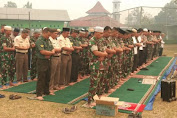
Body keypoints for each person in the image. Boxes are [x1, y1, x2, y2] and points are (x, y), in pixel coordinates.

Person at [87, 26, 108, 106]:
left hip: (102, 64)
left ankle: (99, 97)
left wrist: (104, 54)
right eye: (100, 34)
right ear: (96, 33)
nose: (102, 35)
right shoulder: (92, 41)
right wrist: (103, 54)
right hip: (95, 65)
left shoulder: (101, 40)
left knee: (101, 82)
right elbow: (96, 53)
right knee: (94, 83)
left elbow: (104, 50)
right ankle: (90, 100)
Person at [35, 27, 55, 100]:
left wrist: (51, 53)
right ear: (44, 32)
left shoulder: (48, 40)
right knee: (41, 77)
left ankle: (46, 91)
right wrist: (51, 53)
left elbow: (52, 48)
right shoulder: (39, 40)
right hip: (41, 61)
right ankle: (39, 94)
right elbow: (42, 52)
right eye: (48, 35)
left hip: (48, 60)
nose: (49, 36)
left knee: (48, 76)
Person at [49, 28, 62, 95]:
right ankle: (50, 87)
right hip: (53, 57)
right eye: (55, 33)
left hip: (58, 56)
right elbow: (53, 49)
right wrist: (58, 50)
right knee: (52, 73)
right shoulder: (49, 40)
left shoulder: (56, 40)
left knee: (57, 72)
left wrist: (58, 50)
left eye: (57, 33)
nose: (57, 35)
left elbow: (60, 48)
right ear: (51, 33)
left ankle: (55, 85)